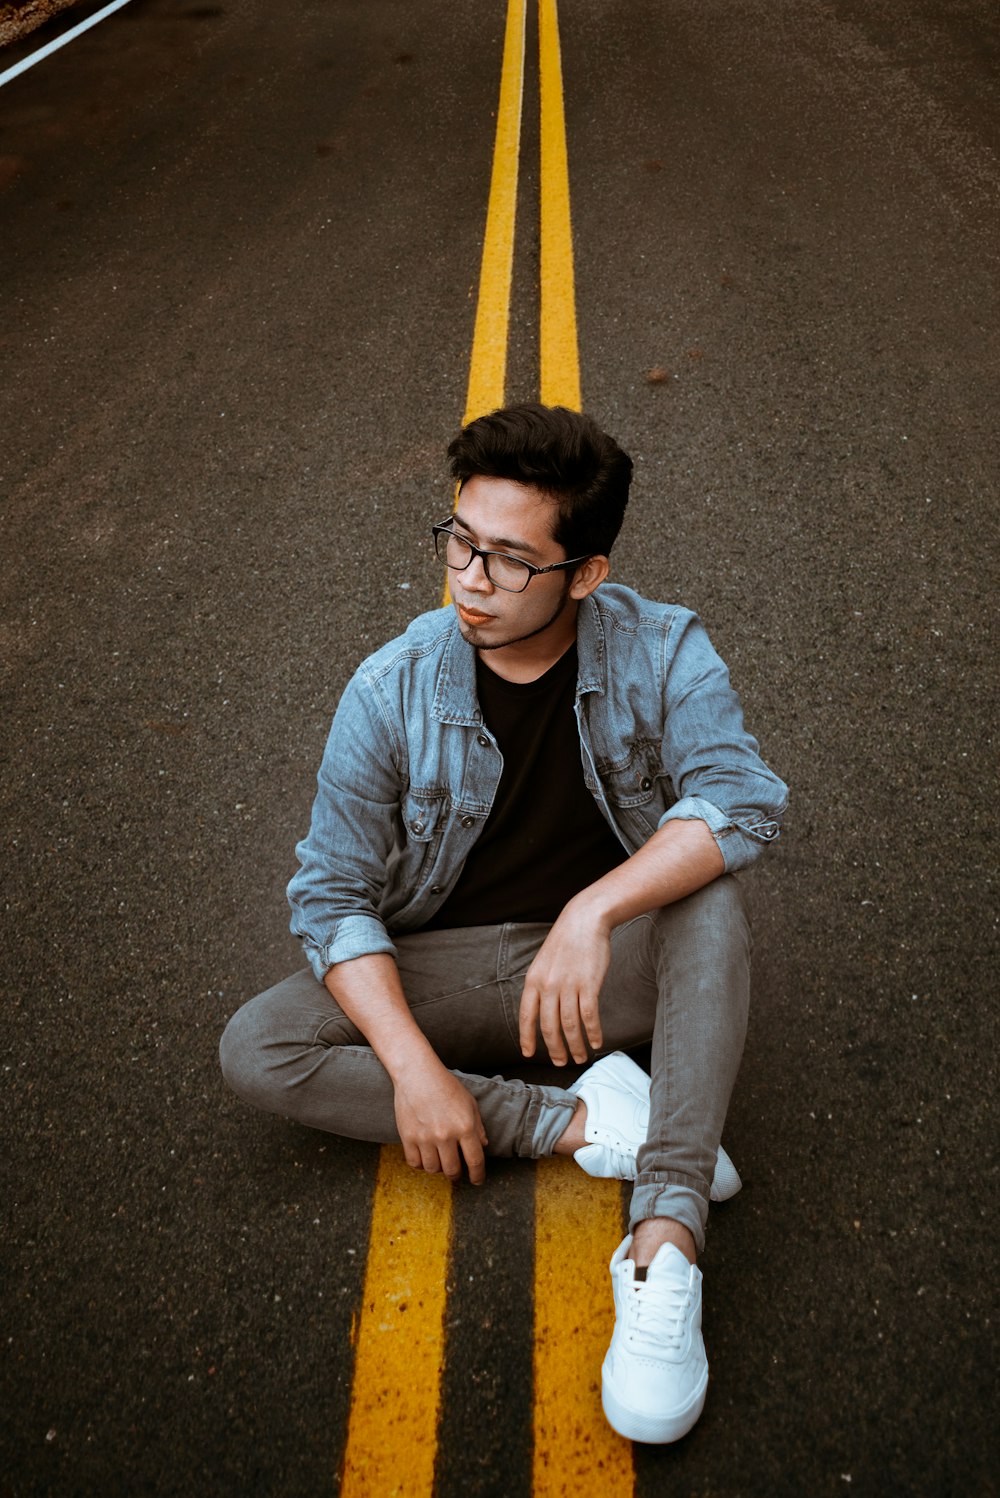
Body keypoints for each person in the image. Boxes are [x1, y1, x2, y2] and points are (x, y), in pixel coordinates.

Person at [220, 403, 787, 1444]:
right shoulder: (392, 686)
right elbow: (331, 896)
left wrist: (594, 908)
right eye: (458, 543)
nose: (470, 579)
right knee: (259, 1045)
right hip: (460, 964)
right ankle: (591, 1120)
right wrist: (416, 1073)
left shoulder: (664, 652)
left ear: (586, 573)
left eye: (509, 561)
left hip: (606, 968)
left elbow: (740, 801)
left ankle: (665, 1235)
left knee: (706, 890)